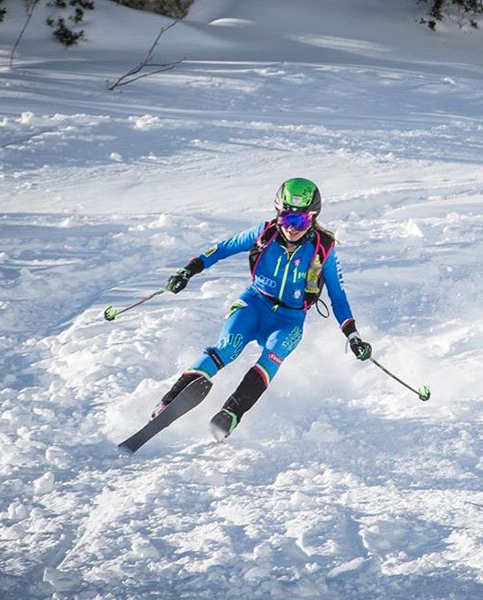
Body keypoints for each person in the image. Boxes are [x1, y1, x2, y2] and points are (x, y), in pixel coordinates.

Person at [152, 177, 373, 441]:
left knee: (273, 355)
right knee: (228, 347)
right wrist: (188, 271)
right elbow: (222, 249)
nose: (291, 228)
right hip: (254, 305)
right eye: (286, 218)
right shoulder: (263, 234)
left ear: (313, 219)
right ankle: (169, 401)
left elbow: (338, 296)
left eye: (300, 221)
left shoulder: (323, 249)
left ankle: (231, 413)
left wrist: (353, 335)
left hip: (289, 320)